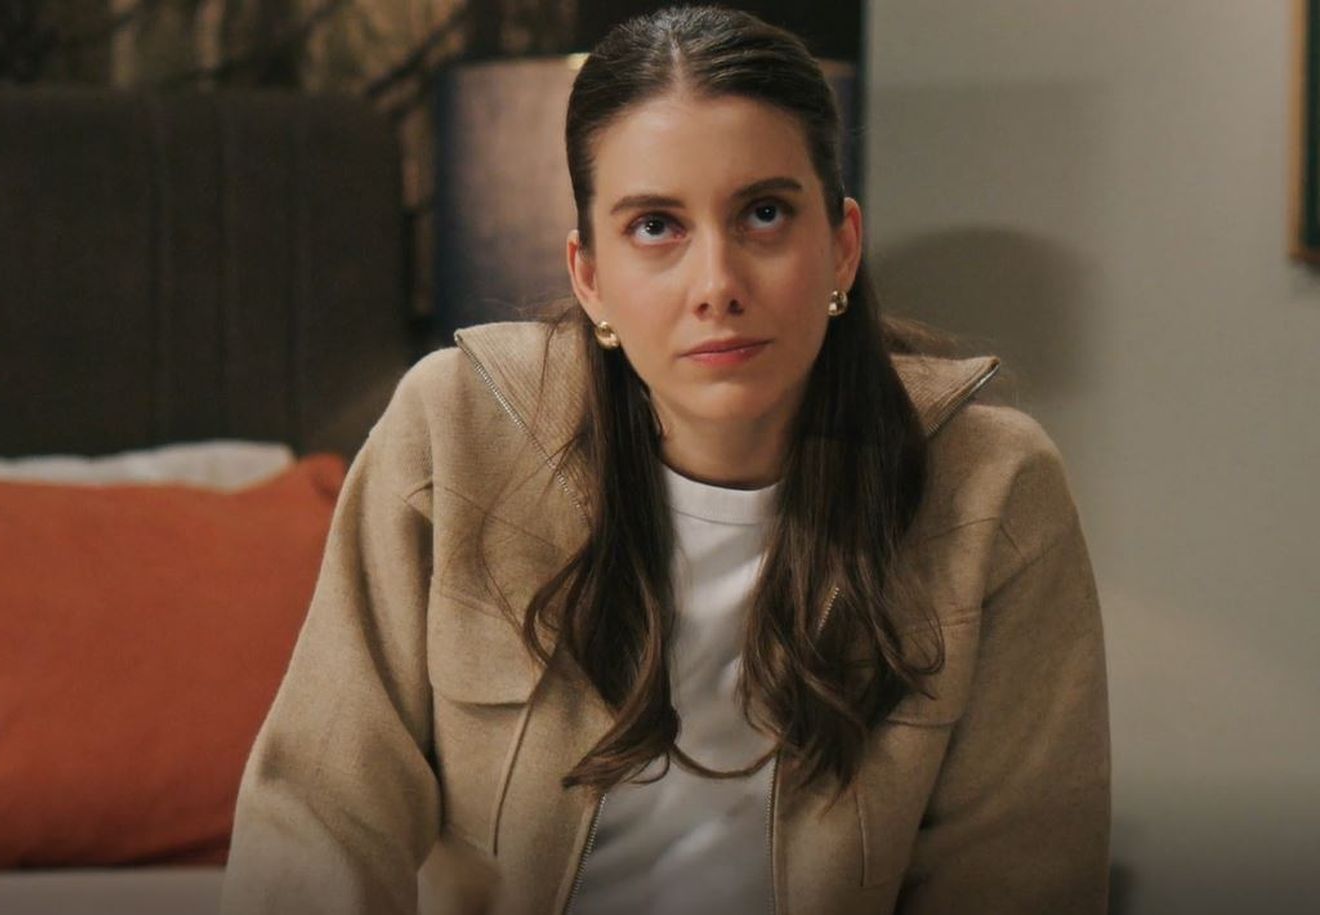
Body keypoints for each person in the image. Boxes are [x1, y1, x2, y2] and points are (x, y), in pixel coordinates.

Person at [219, 6, 1110, 914]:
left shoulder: (995, 487)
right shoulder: (454, 432)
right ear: (590, 277)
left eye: (764, 213)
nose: (716, 284)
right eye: (656, 226)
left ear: (842, 247)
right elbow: (318, 823)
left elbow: (1018, 879)